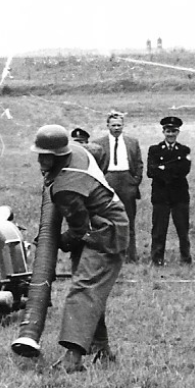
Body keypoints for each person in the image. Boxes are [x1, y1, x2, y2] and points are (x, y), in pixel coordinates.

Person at [27, 124, 127, 372]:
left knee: (84, 287)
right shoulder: (76, 151)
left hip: (105, 232)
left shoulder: (66, 188)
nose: (41, 160)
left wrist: (55, 243)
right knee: (90, 286)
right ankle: (101, 348)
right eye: (39, 154)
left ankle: (73, 357)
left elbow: (78, 231)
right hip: (98, 225)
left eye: (46, 156)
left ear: (59, 155)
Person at [90, 112, 143, 262]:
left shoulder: (132, 142)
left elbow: (139, 163)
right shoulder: (98, 143)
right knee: (107, 219)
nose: (116, 128)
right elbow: (95, 166)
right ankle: (109, 254)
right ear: (107, 126)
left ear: (123, 125)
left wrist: (135, 181)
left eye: (119, 125)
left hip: (127, 181)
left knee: (129, 219)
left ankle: (130, 255)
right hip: (108, 180)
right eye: (113, 125)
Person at [147, 116, 191, 265]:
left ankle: (186, 259)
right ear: (163, 131)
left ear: (178, 132)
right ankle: (157, 259)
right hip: (161, 195)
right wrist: (171, 170)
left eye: (173, 131)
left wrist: (164, 168)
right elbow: (151, 172)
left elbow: (184, 170)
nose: (170, 134)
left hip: (179, 196)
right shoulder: (154, 150)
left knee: (183, 229)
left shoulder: (184, 150)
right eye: (168, 131)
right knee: (159, 230)